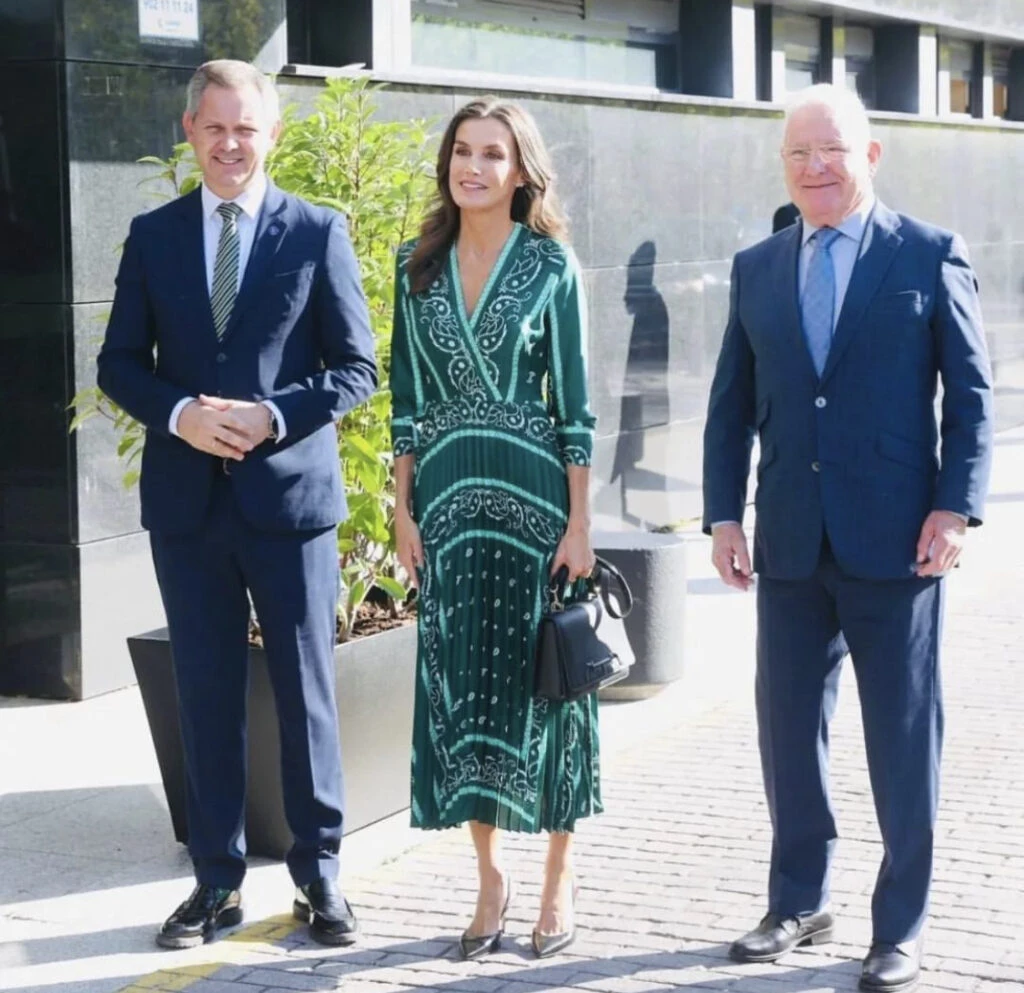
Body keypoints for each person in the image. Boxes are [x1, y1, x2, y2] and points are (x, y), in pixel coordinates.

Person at [702, 84, 993, 993]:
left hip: (899, 544)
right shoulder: (758, 265)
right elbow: (729, 410)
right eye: (798, 154)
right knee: (788, 733)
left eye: (832, 150)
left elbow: (974, 400)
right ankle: (798, 897)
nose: (815, 167)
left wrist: (956, 507)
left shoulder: (930, 255)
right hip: (788, 540)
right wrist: (721, 515)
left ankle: (899, 926)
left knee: (903, 740)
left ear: (872, 156)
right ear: (782, 164)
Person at [97, 60, 377, 949]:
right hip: (188, 509)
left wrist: (273, 414)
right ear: (190, 131)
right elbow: (118, 364)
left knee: (306, 693)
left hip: (289, 503)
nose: (229, 144)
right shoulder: (153, 234)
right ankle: (214, 885)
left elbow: (357, 367)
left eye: (245, 129)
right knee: (205, 695)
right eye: (213, 128)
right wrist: (180, 415)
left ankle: (321, 878)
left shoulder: (318, 231)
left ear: (273, 135)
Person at [390, 97, 600, 960]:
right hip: (445, 509)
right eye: (462, 152)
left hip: (535, 511)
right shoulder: (416, 265)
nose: (472, 167)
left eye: (492, 154)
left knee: (544, 692)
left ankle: (556, 876)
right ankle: (489, 875)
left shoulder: (551, 267)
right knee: (462, 690)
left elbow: (577, 410)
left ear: (520, 171)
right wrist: (400, 510)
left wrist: (582, 524)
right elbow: (405, 402)